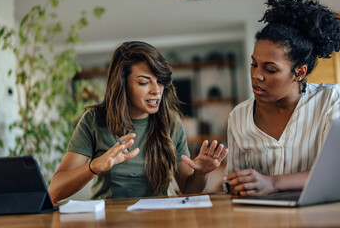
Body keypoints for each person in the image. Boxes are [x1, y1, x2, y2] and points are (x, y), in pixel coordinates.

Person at [48, 41, 228, 203]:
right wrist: (94, 166)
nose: (156, 91)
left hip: (162, 218)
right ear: (122, 84)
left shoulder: (171, 122)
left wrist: (202, 172)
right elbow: (55, 191)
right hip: (109, 220)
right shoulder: (94, 120)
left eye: (160, 82)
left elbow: (188, 189)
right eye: (144, 82)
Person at [224, 0, 340, 197]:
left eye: (270, 70)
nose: (257, 76)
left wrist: (272, 183)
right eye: (254, 64)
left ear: (299, 72)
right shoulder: (239, 116)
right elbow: (236, 182)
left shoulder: (330, 100)